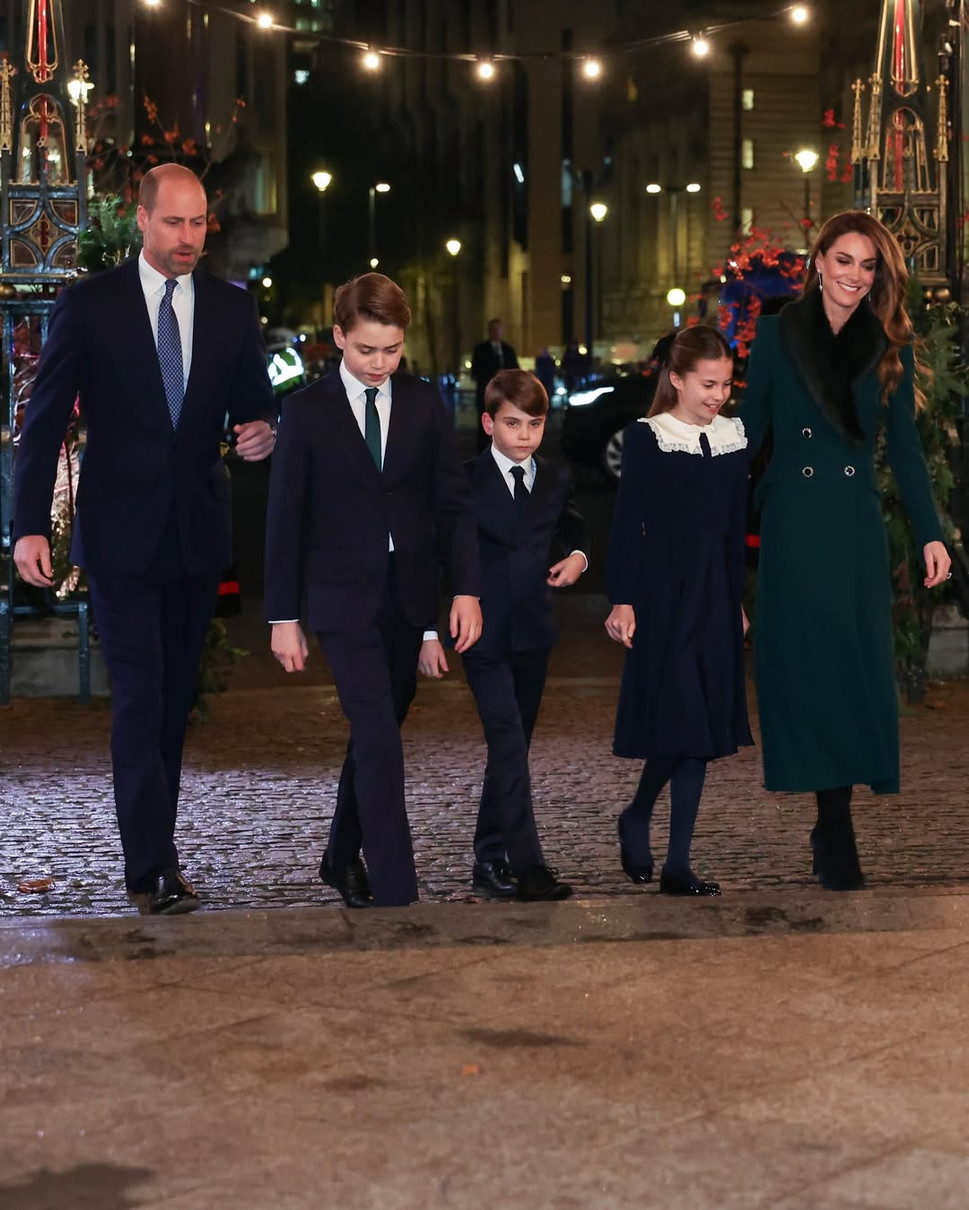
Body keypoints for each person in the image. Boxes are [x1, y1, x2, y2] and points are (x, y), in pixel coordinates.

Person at [13, 163, 276, 915]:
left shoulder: (231, 307)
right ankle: (151, 867)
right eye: (173, 222)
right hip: (119, 534)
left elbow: (255, 406)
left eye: (198, 223)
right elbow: (43, 420)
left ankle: (156, 857)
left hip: (196, 533)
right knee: (137, 694)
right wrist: (27, 526)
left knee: (170, 699)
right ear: (141, 218)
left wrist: (263, 431)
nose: (188, 237)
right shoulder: (89, 305)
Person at [741, 210, 951, 890]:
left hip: (853, 523)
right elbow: (749, 432)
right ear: (818, 261)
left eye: (867, 266)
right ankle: (831, 823)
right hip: (794, 522)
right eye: (844, 261)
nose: (854, 277)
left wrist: (930, 531)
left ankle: (836, 819)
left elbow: (906, 449)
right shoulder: (775, 335)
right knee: (805, 668)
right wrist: (697, 492)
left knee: (852, 667)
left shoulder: (889, 343)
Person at [264, 272, 482, 909]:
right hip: (341, 599)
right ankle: (396, 891)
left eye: (392, 350)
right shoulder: (305, 411)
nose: (380, 363)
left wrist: (462, 593)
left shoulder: (423, 403)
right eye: (366, 350)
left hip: (409, 597)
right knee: (380, 739)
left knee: (375, 733)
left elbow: (452, 505)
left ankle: (339, 856)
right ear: (339, 337)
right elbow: (284, 518)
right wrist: (283, 615)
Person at [419, 369, 587, 902]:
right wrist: (429, 628)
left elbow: (573, 526)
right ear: (489, 423)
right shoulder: (463, 479)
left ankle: (488, 859)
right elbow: (433, 556)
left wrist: (578, 557)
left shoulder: (555, 477)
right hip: (482, 636)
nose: (525, 435)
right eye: (513, 423)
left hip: (534, 632)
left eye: (535, 424)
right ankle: (529, 868)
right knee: (509, 745)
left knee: (511, 750)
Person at [605, 326, 751, 896]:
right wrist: (622, 598)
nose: (718, 395)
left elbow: (734, 530)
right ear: (677, 379)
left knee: (702, 731)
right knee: (683, 719)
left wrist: (737, 600)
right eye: (708, 384)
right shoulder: (648, 437)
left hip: (714, 596)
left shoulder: (734, 437)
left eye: (726, 384)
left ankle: (676, 863)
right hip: (663, 595)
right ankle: (639, 812)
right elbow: (626, 524)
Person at [471, 319, 519, 451]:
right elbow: (475, 372)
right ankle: (484, 452)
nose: (497, 332)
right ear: (489, 331)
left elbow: (516, 370)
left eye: (499, 329)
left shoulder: (508, 350)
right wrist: (493, 373)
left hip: (506, 395)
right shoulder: (481, 350)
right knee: (485, 426)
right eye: (494, 329)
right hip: (486, 394)